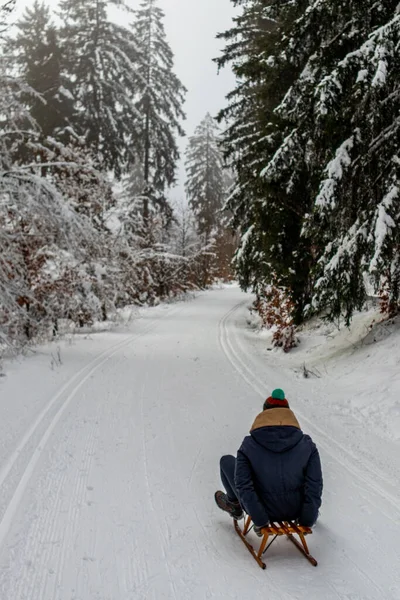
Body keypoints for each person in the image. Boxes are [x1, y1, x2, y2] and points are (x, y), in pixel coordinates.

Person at [215, 389, 323, 535]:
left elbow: (244, 486)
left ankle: (234, 505)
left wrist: (260, 521)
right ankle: (303, 515)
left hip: (263, 511)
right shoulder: (308, 445)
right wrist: (307, 519)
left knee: (226, 461)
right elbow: (314, 485)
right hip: (295, 509)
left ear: (264, 413)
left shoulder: (248, 445)